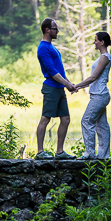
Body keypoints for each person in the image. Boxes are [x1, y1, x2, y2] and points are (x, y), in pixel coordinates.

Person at [36, 17, 77, 160]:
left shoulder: (52, 47)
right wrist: (67, 84)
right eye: (55, 28)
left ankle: (59, 152)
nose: (57, 31)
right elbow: (52, 72)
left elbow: (60, 70)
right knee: (45, 119)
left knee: (65, 119)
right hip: (51, 88)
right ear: (47, 30)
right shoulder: (43, 48)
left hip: (60, 88)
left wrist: (68, 83)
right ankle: (40, 152)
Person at [75, 31, 111, 160]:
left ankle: (90, 154)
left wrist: (77, 86)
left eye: (96, 40)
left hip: (100, 95)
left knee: (86, 120)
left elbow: (93, 77)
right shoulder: (103, 56)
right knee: (101, 125)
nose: (94, 42)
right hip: (99, 95)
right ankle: (103, 156)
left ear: (102, 42)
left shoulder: (105, 57)